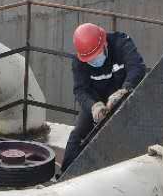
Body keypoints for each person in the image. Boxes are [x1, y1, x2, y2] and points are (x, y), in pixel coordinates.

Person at [59, 22, 146, 173]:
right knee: (78, 136)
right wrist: (94, 106)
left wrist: (123, 91)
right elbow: (81, 90)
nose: (95, 61)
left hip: (124, 98)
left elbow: (137, 68)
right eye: (90, 59)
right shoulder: (79, 61)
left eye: (96, 56)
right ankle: (65, 176)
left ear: (105, 43)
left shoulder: (121, 43)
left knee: (128, 137)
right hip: (97, 102)